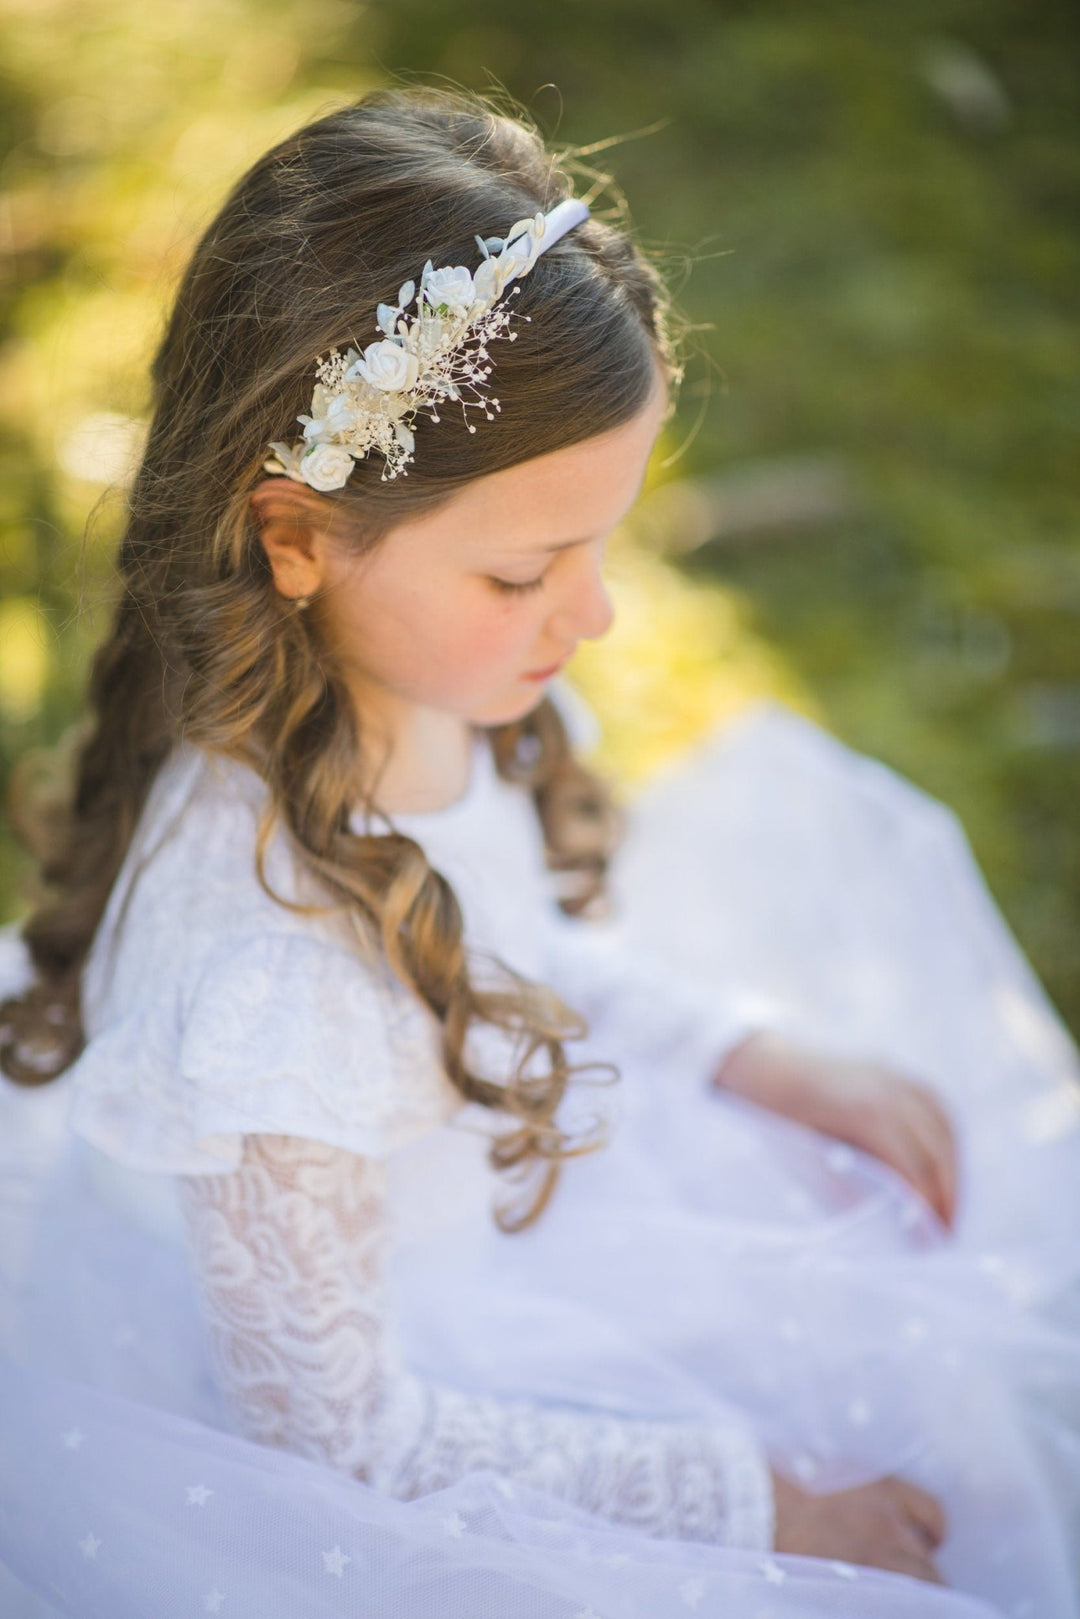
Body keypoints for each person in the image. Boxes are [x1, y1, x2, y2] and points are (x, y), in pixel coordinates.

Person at [0, 84, 1078, 1619]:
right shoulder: (265, 985)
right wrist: (767, 1508)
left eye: (606, 548)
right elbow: (341, 1446)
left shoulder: (384, 685)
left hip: (486, 1230)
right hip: (394, 1425)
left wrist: (746, 1059)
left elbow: (488, 932)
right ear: (296, 534)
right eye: (524, 571)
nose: (593, 621)